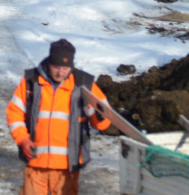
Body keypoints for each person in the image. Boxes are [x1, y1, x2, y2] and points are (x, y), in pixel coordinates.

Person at [6, 39, 112, 195]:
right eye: (56, 67)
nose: (60, 72)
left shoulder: (84, 83)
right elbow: (14, 112)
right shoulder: (31, 81)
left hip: (67, 167)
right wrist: (22, 139)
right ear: (49, 63)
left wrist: (96, 114)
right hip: (36, 162)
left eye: (65, 68)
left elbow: (104, 123)